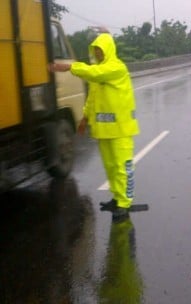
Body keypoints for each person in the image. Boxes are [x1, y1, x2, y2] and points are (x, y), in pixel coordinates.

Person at [50, 32, 140, 221]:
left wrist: (70, 66)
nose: (98, 54)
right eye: (95, 50)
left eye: (100, 50)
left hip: (121, 130)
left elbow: (94, 72)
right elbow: (92, 98)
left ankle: (125, 203)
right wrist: (84, 119)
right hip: (104, 130)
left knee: (122, 167)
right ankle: (117, 199)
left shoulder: (116, 68)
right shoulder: (98, 75)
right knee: (110, 167)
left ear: (108, 50)